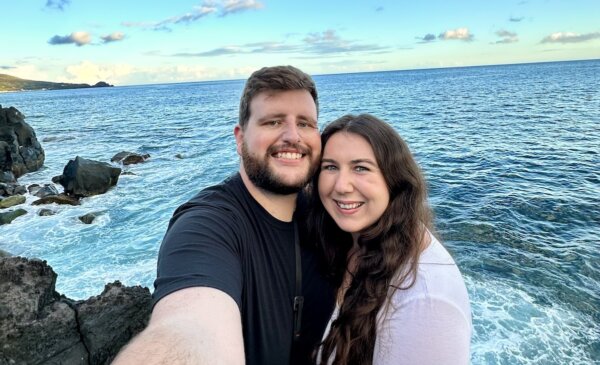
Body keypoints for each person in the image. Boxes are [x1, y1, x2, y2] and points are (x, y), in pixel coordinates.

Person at [114, 66, 335, 365]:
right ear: (239, 138)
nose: (293, 136)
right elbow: (192, 326)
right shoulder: (207, 225)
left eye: (306, 124)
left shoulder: (332, 216)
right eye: (273, 121)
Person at [310, 114, 472, 365]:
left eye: (361, 168)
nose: (341, 186)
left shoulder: (426, 300)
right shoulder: (350, 242)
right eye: (330, 166)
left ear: (394, 179)